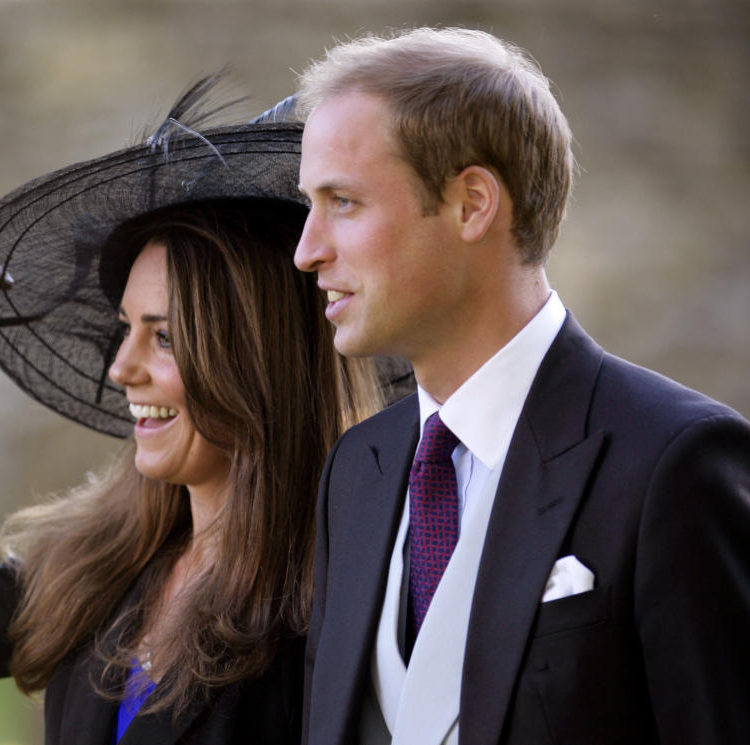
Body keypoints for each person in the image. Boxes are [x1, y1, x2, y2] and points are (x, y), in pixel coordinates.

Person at [0, 78, 388, 745]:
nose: (120, 367)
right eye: (124, 327)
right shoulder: (96, 567)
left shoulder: (348, 598)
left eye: (163, 336)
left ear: (256, 361)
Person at [293, 27, 750, 745]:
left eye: (343, 202)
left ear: (473, 203)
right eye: (309, 206)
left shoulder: (674, 460)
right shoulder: (356, 468)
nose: (307, 250)